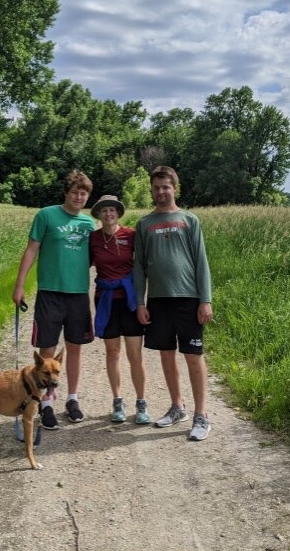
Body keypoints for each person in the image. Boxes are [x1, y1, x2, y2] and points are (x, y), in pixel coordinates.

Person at [133, 166, 213, 441]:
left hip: (188, 299)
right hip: (158, 300)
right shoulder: (144, 224)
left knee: (193, 357)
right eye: (156, 187)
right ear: (152, 190)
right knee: (166, 354)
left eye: (165, 186)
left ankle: (201, 415)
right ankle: (178, 406)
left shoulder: (189, 220)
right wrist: (140, 303)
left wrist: (205, 299)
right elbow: (139, 267)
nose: (160, 192)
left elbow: (201, 262)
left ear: (174, 188)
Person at [12, 170, 96, 429]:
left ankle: (72, 398)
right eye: (75, 192)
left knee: (75, 348)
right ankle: (45, 403)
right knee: (47, 350)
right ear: (66, 193)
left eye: (84, 193)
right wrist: (20, 284)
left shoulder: (89, 224)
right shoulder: (46, 215)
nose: (79, 197)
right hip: (50, 292)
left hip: (78, 294)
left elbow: (93, 258)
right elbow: (31, 250)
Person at [89, 194, 150, 424]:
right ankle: (117, 400)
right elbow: (81, 263)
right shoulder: (92, 238)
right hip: (106, 300)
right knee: (112, 352)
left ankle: (141, 402)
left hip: (129, 301)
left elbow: (144, 262)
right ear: (99, 214)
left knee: (135, 354)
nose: (108, 214)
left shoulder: (131, 235)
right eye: (104, 210)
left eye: (112, 210)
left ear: (118, 213)